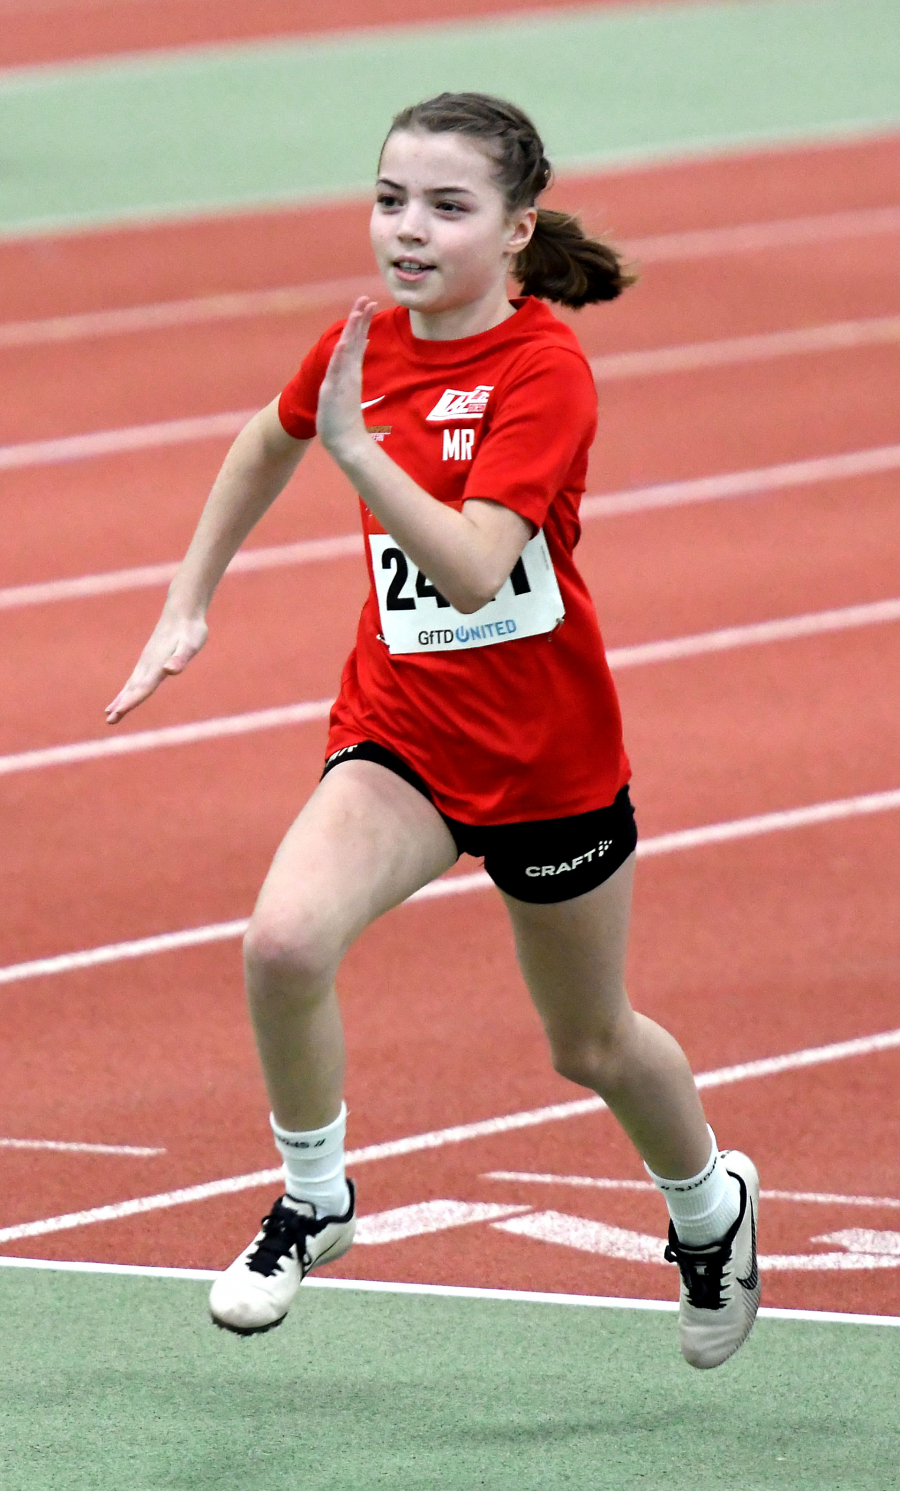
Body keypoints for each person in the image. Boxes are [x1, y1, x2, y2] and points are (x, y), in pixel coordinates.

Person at [107, 92, 759, 1369]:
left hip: (548, 762)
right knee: (284, 942)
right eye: (390, 198)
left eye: (447, 207)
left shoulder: (545, 371)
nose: (408, 228)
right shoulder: (360, 343)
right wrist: (188, 601)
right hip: (403, 734)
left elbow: (469, 570)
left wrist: (359, 452)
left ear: (516, 229)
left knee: (591, 1045)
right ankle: (316, 1196)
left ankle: (707, 1208)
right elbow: (264, 440)